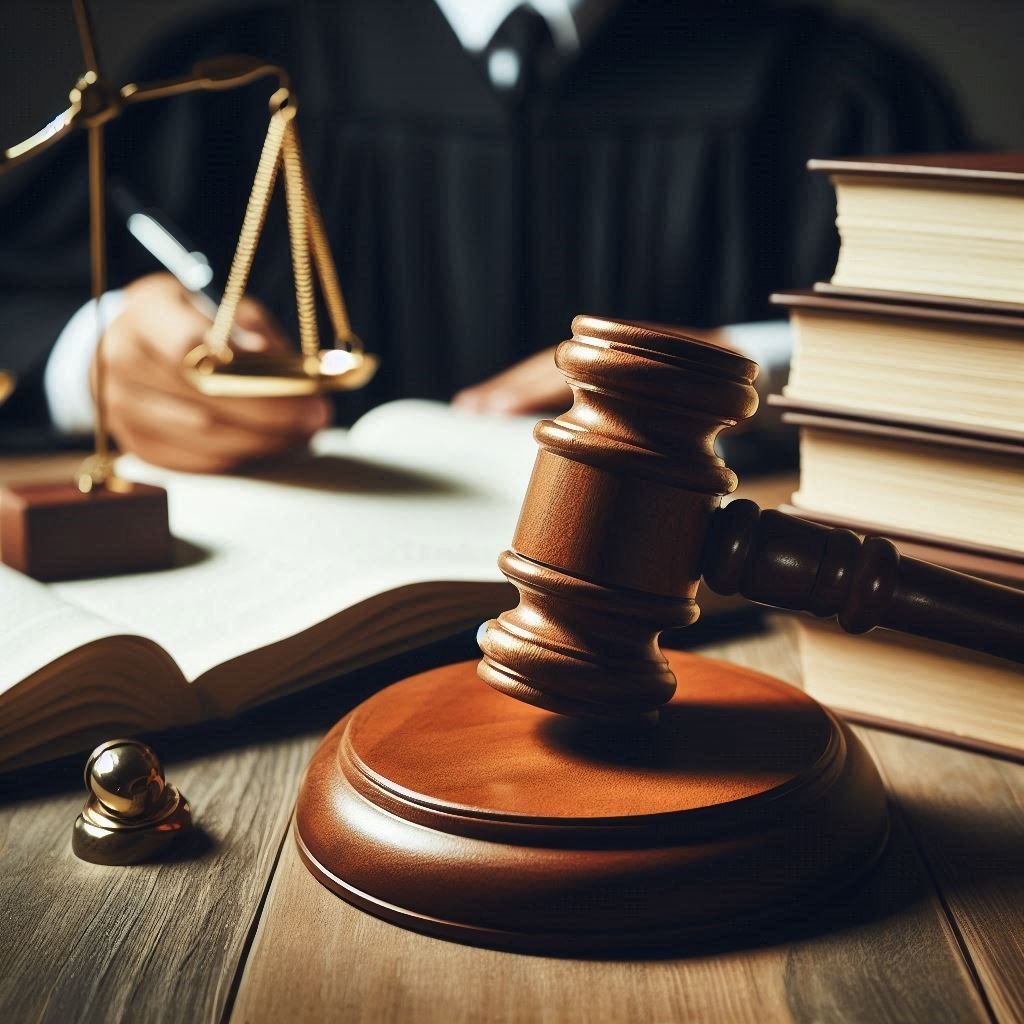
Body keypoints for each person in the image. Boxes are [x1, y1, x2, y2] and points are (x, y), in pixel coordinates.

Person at [0, 0, 965, 470]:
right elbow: (20, 294)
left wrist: (757, 367)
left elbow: (979, 347)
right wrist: (95, 351)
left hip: (727, 632)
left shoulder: (836, 88)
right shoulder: (226, 78)